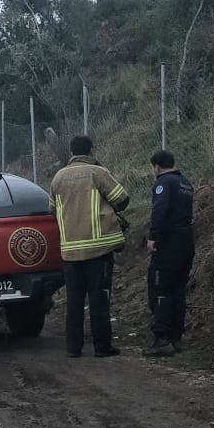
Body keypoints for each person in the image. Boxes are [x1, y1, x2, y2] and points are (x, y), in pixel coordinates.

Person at [48, 134, 130, 358]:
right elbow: (122, 199)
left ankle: (73, 348)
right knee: (98, 299)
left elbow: (52, 209)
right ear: (91, 151)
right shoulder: (97, 173)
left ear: (72, 152)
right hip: (98, 250)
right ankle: (102, 347)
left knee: (74, 301)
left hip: (70, 252)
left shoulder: (58, 178)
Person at [145, 148, 195, 356]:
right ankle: (176, 337)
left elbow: (160, 210)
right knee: (177, 291)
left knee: (160, 290)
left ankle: (162, 339)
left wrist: (153, 236)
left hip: (168, 245)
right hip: (186, 243)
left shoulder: (163, 183)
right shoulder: (185, 183)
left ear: (157, 166)